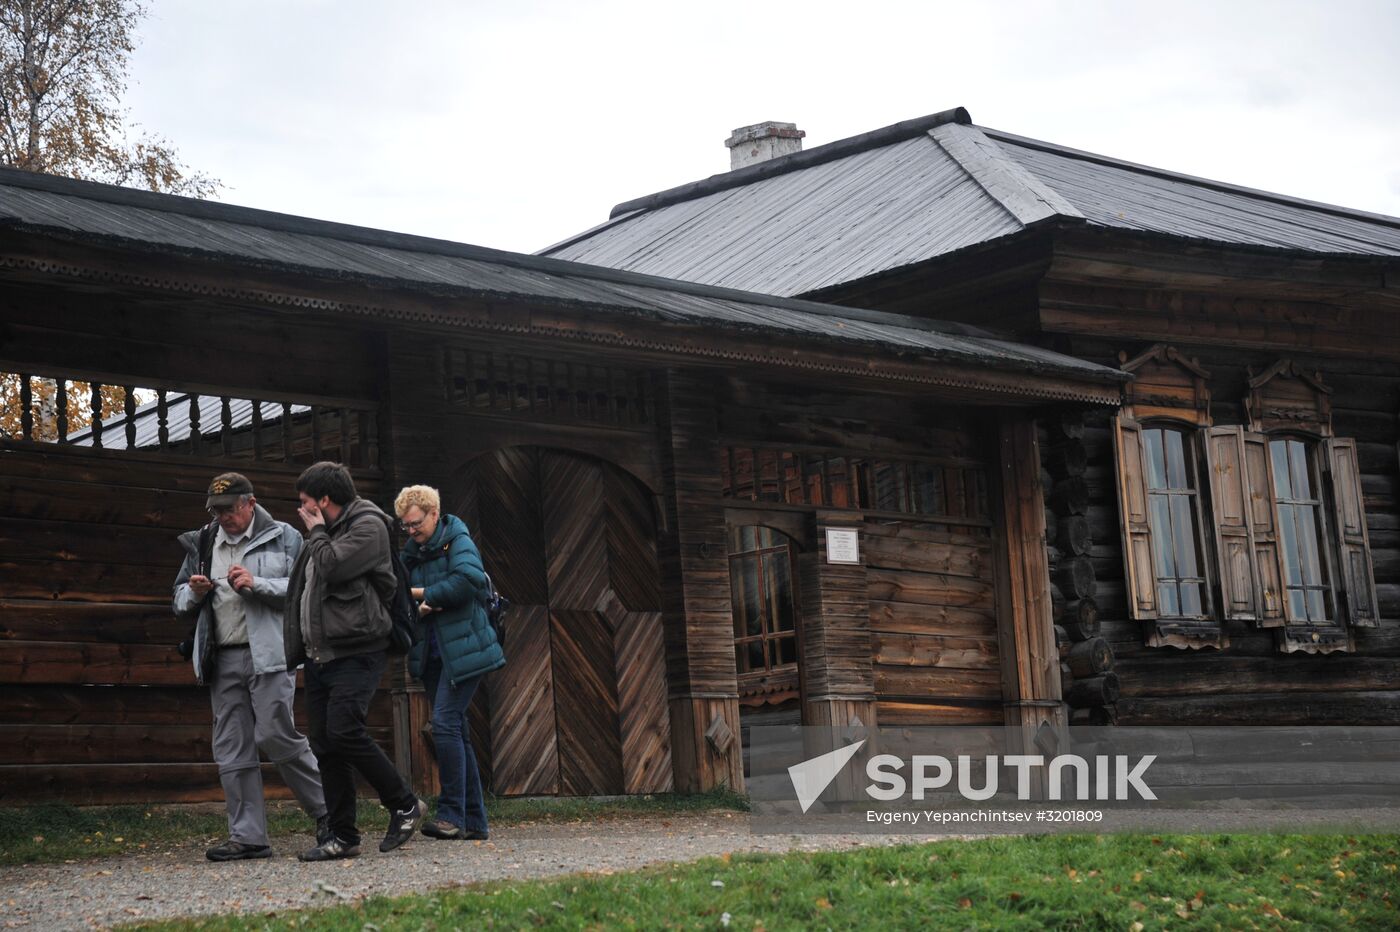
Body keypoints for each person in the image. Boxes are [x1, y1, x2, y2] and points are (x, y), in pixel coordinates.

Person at [172, 472, 327, 862]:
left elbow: (303, 591)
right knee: (231, 747)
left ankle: (330, 814)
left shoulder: (285, 536)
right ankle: (248, 837)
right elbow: (177, 601)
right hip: (221, 656)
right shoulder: (203, 541)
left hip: (271, 655)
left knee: (277, 735)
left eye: (229, 508)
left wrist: (256, 584)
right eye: (216, 510)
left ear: (250, 503)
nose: (223, 516)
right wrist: (193, 591)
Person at [285, 461, 423, 861]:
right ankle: (342, 836)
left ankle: (404, 803)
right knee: (326, 744)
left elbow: (332, 567)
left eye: (306, 502)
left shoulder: (368, 526)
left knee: (344, 730)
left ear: (324, 500)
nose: (302, 509)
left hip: (358, 650)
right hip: (320, 655)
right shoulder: (327, 532)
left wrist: (315, 531)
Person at [394, 485, 505, 841]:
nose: (411, 531)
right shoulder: (410, 554)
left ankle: (451, 813)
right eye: (405, 526)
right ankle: (476, 822)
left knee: (442, 724)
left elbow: (469, 580)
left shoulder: (457, 538)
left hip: (466, 651)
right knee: (457, 731)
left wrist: (421, 597)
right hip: (431, 654)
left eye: (415, 523)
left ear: (433, 514)